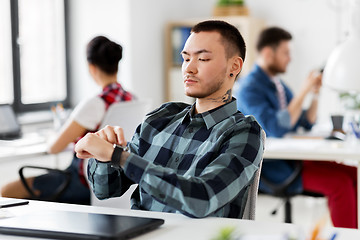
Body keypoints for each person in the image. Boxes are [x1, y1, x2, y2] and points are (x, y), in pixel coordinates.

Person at [75, 20, 265, 218]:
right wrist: (103, 157)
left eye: (203, 59)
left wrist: (118, 156)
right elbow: (106, 190)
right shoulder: (162, 118)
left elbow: (202, 198)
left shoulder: (244, 131)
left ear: (234, 66)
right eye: (185, 58)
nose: (189, 69)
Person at [235, 27, 357, 228]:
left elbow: (304, 121)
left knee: (354, 175)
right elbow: (275, 127)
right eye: (286, 53)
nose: (290, 58)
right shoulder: (249, 87)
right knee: (340, 185)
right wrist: (303, 91)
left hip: (295, 159)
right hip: (276, 167)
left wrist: (314, 94)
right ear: (267, 53)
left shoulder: (278, 85)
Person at [1, 36, 134, 205]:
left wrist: (51, 137)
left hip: (82, 182)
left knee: (6, 190)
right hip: (114, 181)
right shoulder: (131, 99)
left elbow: (54, 147)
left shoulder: (95, 103)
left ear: (91, 67)